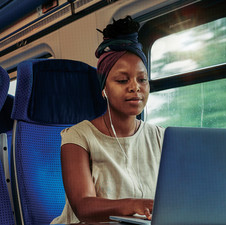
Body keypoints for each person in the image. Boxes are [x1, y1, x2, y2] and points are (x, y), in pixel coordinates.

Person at [51, 16, 165, 224]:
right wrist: (135, 205)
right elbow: (83, 207)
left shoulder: (160, 136)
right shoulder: (78, 136)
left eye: (142, 80)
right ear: (104, 88)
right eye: (122, 80)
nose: (135, 87)